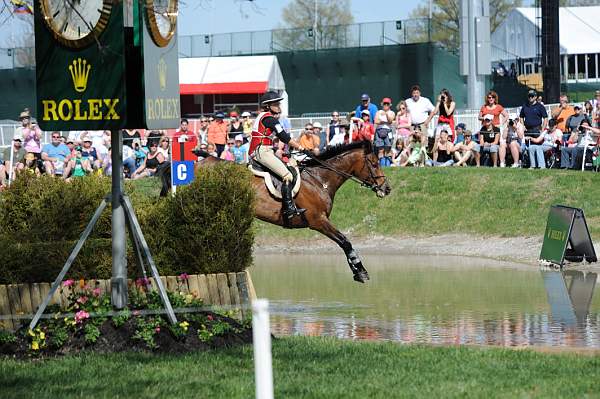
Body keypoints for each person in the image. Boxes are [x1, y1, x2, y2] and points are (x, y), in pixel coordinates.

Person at [249, 91, 306, 219]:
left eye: (278, 103)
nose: (279, 106)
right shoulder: (269, 119)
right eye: (276, 104)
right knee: (287, 176)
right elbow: (284, 137)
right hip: (262, 151)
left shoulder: (263, 117)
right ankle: (288, 209)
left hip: (265, 149)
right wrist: (301, 147)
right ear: (268, 106)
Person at [374, 97, 395, 165]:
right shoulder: (378, 112)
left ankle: (387, 165)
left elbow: (390, 121)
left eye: (387, 104)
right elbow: (376, 121)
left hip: (388, 131)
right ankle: (382, 166)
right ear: (382, 104)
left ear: (390, 104)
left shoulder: (392, 112)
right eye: (384, 103)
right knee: (380, 150)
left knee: (388, 149)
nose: (386, 105)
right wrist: (384, 121)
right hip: (379, 131)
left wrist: (385, 115)